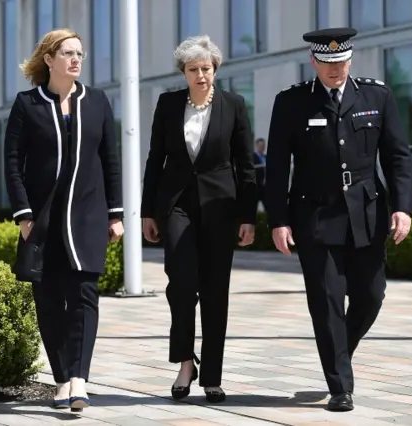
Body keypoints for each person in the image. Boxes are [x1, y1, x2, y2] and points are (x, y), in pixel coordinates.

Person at [265, 27, 412, 412]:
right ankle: (340, 387)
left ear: (351, 58)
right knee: (327, 303)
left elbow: (397, 157)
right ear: (314, 62)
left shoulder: (376, 95)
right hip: (314, 216)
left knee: (371, 295)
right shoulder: (292, 103)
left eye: (342, 61)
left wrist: (403, 208)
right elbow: (278, 167)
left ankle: (339, 352)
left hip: (366, 213)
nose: (336, 69)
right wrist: (277, 220)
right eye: (328, 63)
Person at [4, 28, 124, 412]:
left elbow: (111, 161)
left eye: (80, 54)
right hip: (43, 219)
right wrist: (24, 215)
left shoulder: (98, 101)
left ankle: (79, 379)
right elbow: (12, 163)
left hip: (87, 216)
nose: (76, 59)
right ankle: (60, 378)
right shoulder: (27, 104)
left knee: (86, 296)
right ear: (49, 59)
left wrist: (116, 213)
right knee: (50, 301)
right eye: (68, 53)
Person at [141, 35, 257, 404]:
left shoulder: (234, 105)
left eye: (206, 68)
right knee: (180, 285)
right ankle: (185, 363)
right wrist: (147, 211)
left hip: (221, 207)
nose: (201, 75)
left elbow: (246, 165)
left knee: (214, 291)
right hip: (175, 205)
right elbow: (154, 160)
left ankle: (212, 376)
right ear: (184, 72)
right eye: (193, 70)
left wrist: (247, 216)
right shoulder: (168, 104)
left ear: (215, 69)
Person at [253, 138, 267, 211]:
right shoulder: (252, 157)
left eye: (263, 146)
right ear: (257, 146)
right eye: (260, 146)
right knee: (253, 208)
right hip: (256, 187)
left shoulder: (266, 157)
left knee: (268, 207)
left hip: (265, 187)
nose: (262, 147)